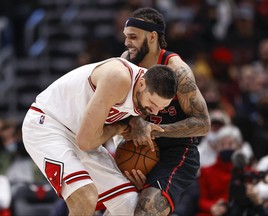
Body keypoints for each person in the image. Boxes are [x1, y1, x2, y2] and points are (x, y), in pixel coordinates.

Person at [21, 57, 178, 216]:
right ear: (142, 84)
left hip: (82, 134)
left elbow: (117, 128)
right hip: (48, 124)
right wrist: (119, 128)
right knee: (85, 197)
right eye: (153, 103)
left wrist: (129, 164)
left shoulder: (146, 95)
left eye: (162, 107)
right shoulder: (118, 78)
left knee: (130, 206)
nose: (155, 111)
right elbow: (85, 142)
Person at [121, 7, 210, 215]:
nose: (126, 43)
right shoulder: (126, 61)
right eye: (126, 37)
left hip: (177, 151)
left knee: (146, 210)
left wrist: (154, 129)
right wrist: (135, 125)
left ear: (152, 37)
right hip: (138, 148)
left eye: (133, 37)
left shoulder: (179, 72)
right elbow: (120, 111)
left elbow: (203, 123)